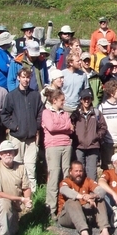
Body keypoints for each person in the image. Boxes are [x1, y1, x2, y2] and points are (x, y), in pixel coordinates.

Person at [0, 67, 44, 189]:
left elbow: (41, 112)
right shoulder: (11, 96)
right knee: (17, 167)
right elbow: (4, 115)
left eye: (28, 77)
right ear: (18, 78)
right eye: (23, 77)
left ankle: (33, 196)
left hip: (31, 139)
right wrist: (14, 126)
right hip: (16, 137)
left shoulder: (35, 95)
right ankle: (18, 193)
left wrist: (37, 126)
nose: (25, 80)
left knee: (30, 167)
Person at [58, 161, 113, 235]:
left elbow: (101, 191)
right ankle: (84, 232)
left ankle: (104, 229)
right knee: (72, 201)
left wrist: (93, 196)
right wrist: (83, 197)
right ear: (70, 172)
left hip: (85, 213)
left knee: (100, 199)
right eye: (76, 171)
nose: (79, 173)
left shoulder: (87, 180)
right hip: (67, 216)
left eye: (80, 171)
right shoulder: (66, 182)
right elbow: (64, 190)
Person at [42, 87, 73, 218]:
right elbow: (51, 127)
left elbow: (71, 129)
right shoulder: (46, 113)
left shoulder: (65, 113)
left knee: (66, 175)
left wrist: (64, 128)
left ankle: (67, 205)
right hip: (53, 146)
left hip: (66, 145)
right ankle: (51, 208)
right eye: (61, 100)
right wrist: (65, 127)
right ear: (54, 100)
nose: (63, 103)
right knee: (54, 175)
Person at [71, 88, 107, 181]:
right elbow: (71, 128)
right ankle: (81, 191)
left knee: (92, 172)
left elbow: (103, 128)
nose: (87, 101)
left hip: (93, 146)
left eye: (89, 98)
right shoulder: (76, 114)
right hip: (79, 147)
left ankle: (92, 192)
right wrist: (75, 137)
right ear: (81, 100)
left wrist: (96, 136)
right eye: (84, 99)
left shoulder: (97, 113)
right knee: (79, 171)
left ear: (92, 100)